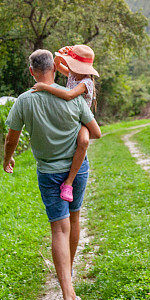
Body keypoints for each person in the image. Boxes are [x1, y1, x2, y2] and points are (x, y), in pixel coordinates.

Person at [2, 49, 101, 300]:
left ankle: (68, 297)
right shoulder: (76, 98)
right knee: (75, 218)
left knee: (59, 228)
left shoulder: (24, 101)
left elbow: (12, 136)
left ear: (31, 71)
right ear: (55, 71)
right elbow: (95, 132)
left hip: (48, 173)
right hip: (77, 170)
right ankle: (68, 276)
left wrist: (8, 158)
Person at [31, 45, 99, 203]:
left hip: (82, 119)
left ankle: (69, 182)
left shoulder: (86, 82)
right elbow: (56, 65)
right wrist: (62, 55)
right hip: (71, 117)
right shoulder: (73, 75)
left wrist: (45, 87)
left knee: (83, 141)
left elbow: (69, 95)